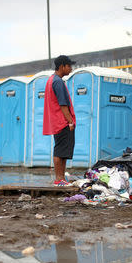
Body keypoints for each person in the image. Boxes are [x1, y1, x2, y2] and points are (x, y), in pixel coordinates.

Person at [43, 55, 76, 187]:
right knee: (60, 150)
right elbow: (63, 105)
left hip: (57, 120)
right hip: (61, 121)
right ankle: (59, 178)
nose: (71, 69)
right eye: (69, 66)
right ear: (62, 66)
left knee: (62, 150)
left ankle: (61, 178)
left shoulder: (52, 80)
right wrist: (70, 121)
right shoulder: (57, 82)